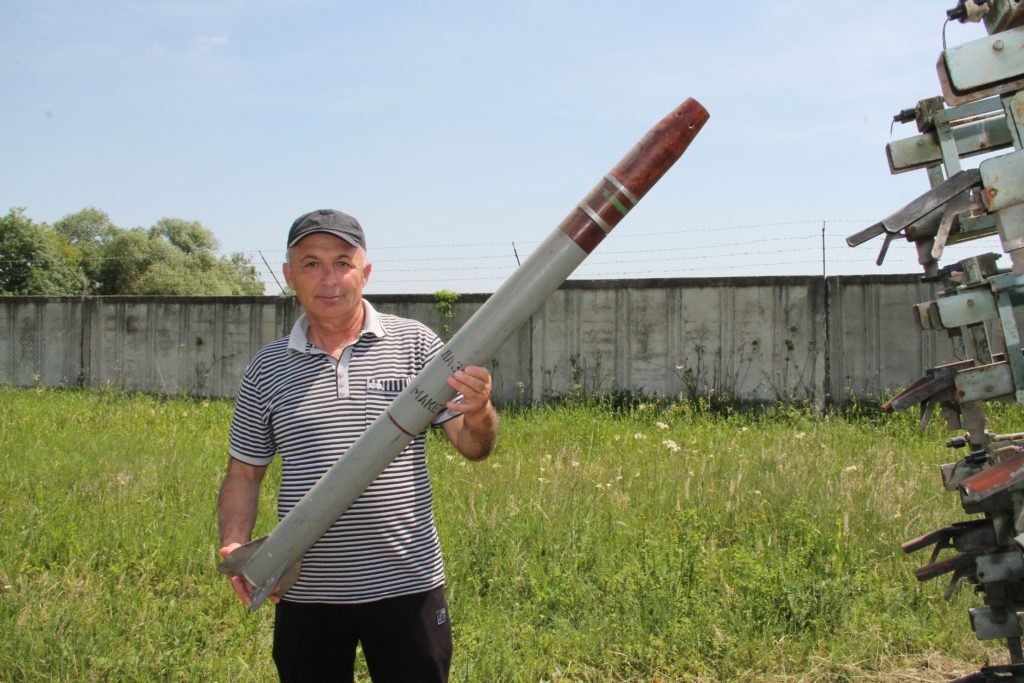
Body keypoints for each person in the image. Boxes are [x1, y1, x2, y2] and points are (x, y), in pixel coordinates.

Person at [217, 209, 498, 683]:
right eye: (311, 264)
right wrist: (235, 543)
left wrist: (479, 411)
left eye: (342, 263)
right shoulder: (266, 368)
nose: (329, 279)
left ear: (364, 272)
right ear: (289, 275)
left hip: (408, 584)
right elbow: (244, 473)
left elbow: (474, 448)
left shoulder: (416, 345)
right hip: (306, 590)